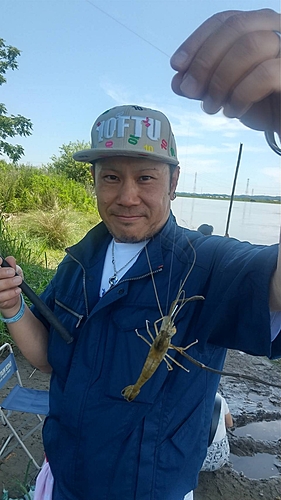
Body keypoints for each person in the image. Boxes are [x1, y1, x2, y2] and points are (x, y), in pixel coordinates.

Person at [0, 8, 280, 500]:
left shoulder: (208, 264)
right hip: (65, 480)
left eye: (146, 177)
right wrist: (14, 307)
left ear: (173, 183)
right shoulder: (79, 260)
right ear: (94, 183)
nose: (127, 195)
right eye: (111, 176)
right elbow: (51, 360)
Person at [201, 393, 233, 472]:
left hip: (198, 462)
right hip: (221, 458)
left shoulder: (186, 401)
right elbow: (230, 424)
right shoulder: (219, 399)